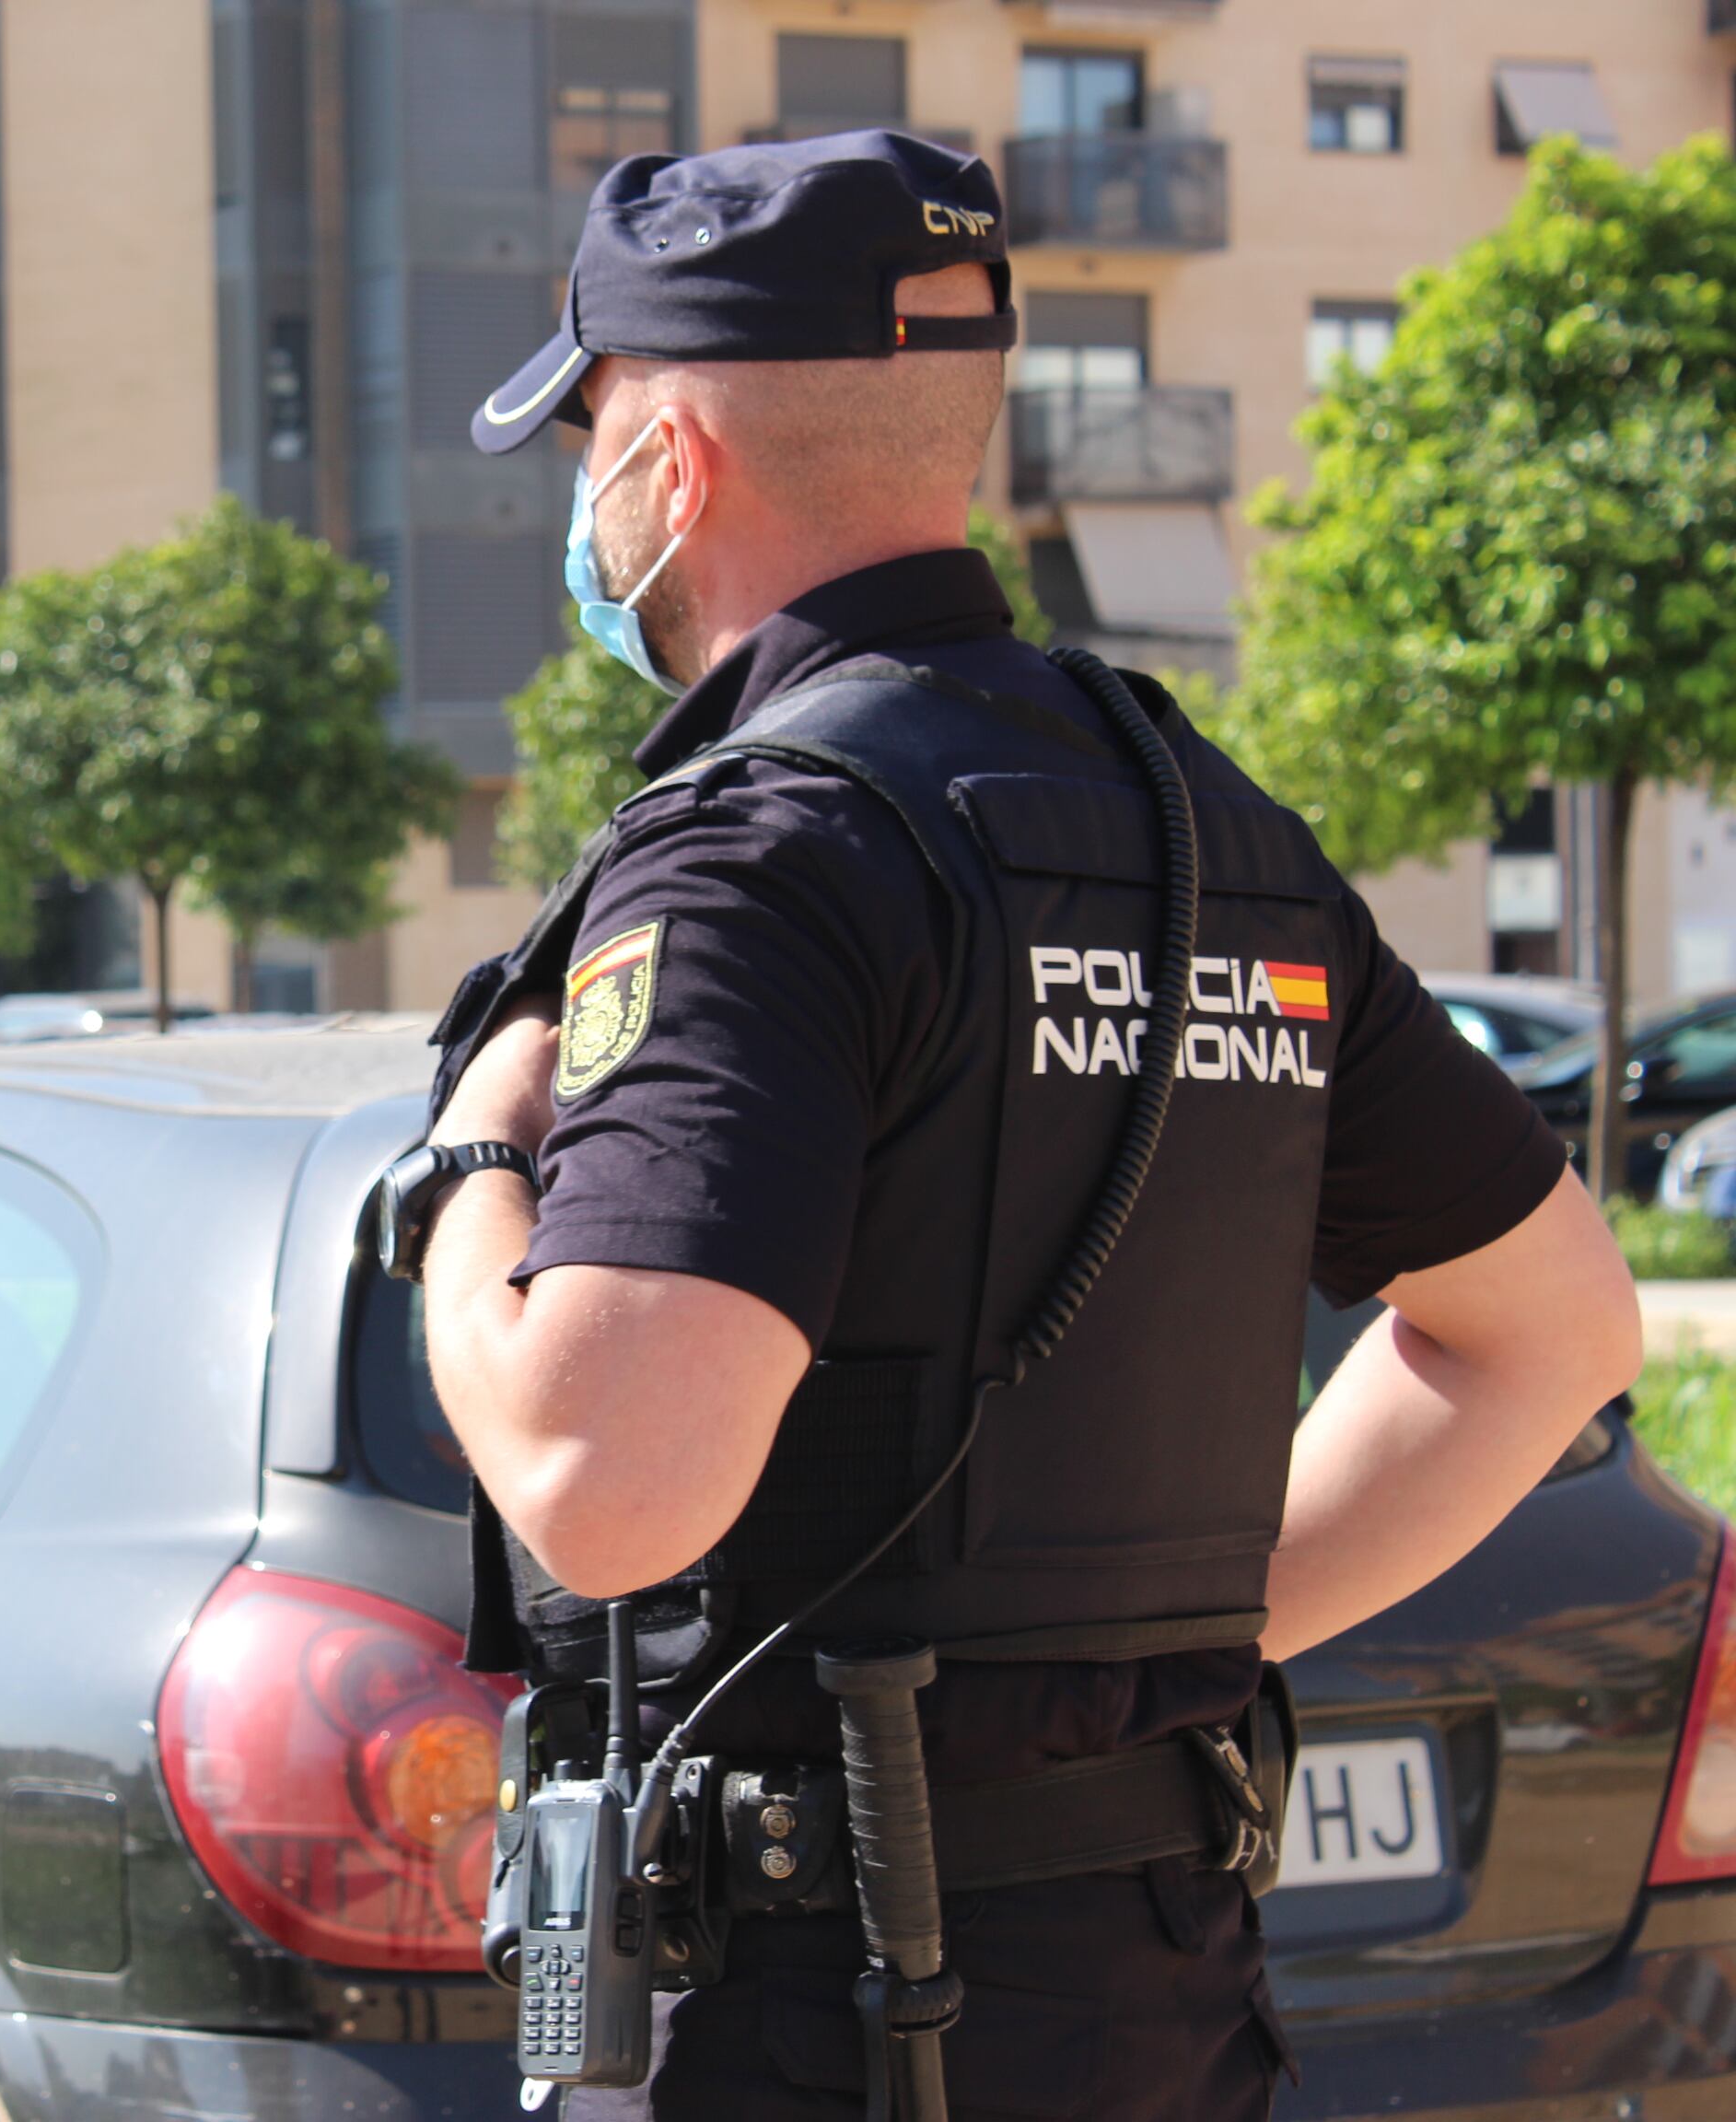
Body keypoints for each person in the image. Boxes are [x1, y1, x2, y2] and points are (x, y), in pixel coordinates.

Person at [399, 136, 1639, 2119]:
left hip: (819, 2021)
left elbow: (604, 1474)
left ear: (678, 463)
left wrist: (471, 1171)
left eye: (590, 440)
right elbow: (1552, 1332)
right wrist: (1172, 1649)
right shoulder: (1203, 836)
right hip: (1160, 2008)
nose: (583, 494)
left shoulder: (754, 863)